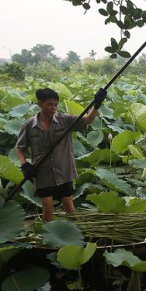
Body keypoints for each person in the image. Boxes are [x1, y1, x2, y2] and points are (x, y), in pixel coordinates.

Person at [15, 87, 107, 222]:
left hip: (64, 171)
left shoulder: (64, 119)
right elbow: (19, 148)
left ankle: (75, 233)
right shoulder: (28, 125)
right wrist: (24, 164)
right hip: (43, 173)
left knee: (69, 207)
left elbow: (86, 121)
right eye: (50, 105)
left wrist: (96, 105)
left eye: (56, 105)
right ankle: (48, 237)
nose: (54, 108)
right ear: (40, 104)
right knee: (47, 209)